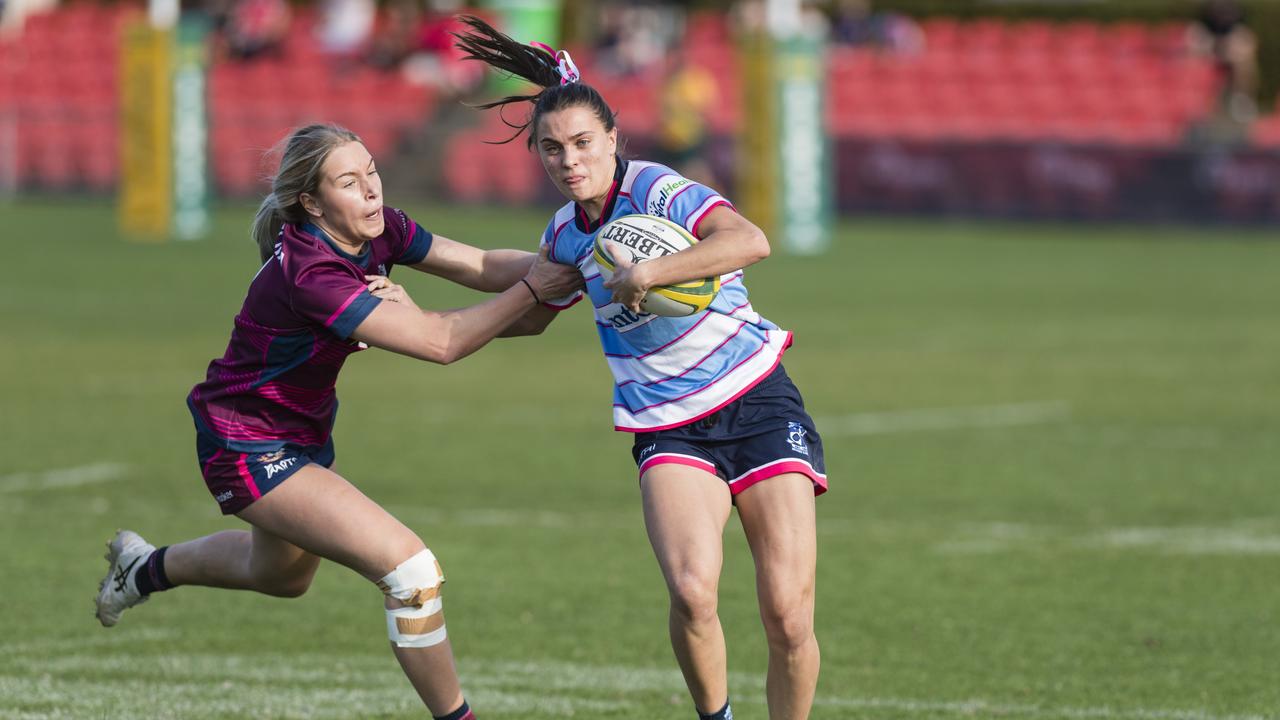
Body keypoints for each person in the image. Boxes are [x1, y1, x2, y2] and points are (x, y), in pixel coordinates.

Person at [93, 123, 582, 720]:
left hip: (301, 434)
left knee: (278, 576)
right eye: (349, 182)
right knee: (411, 573)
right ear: (312, 202)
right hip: (244, 441)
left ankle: (144, 568)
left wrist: (582, 261)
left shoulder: (380, 230)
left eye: (372, 171)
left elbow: (480, 264)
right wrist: (538, 285)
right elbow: (440, 343)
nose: (372, 190)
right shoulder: (311, 275)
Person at [455, 18, 827, 720]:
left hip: (757, 398)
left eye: (583, 144)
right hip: (667, 421)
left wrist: (654, 270)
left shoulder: (657, 190)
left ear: (613, 138)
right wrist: (411, 261)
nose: (569, 161)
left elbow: (749, 240)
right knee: (692, 593)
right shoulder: (563, 234)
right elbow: (530, 296)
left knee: (787, 613)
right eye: (552, 149)